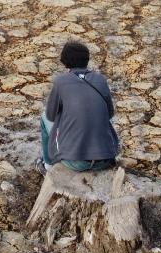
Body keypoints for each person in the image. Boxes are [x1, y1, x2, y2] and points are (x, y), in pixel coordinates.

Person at [39, 40, 120, 173]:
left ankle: (48, 167)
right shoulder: (100, 80)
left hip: (75, 161)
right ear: (87, 59)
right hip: (106, 159)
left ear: (64, 61)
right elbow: (110, 114)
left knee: (43, 118)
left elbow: (50, 116)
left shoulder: (61, 81)